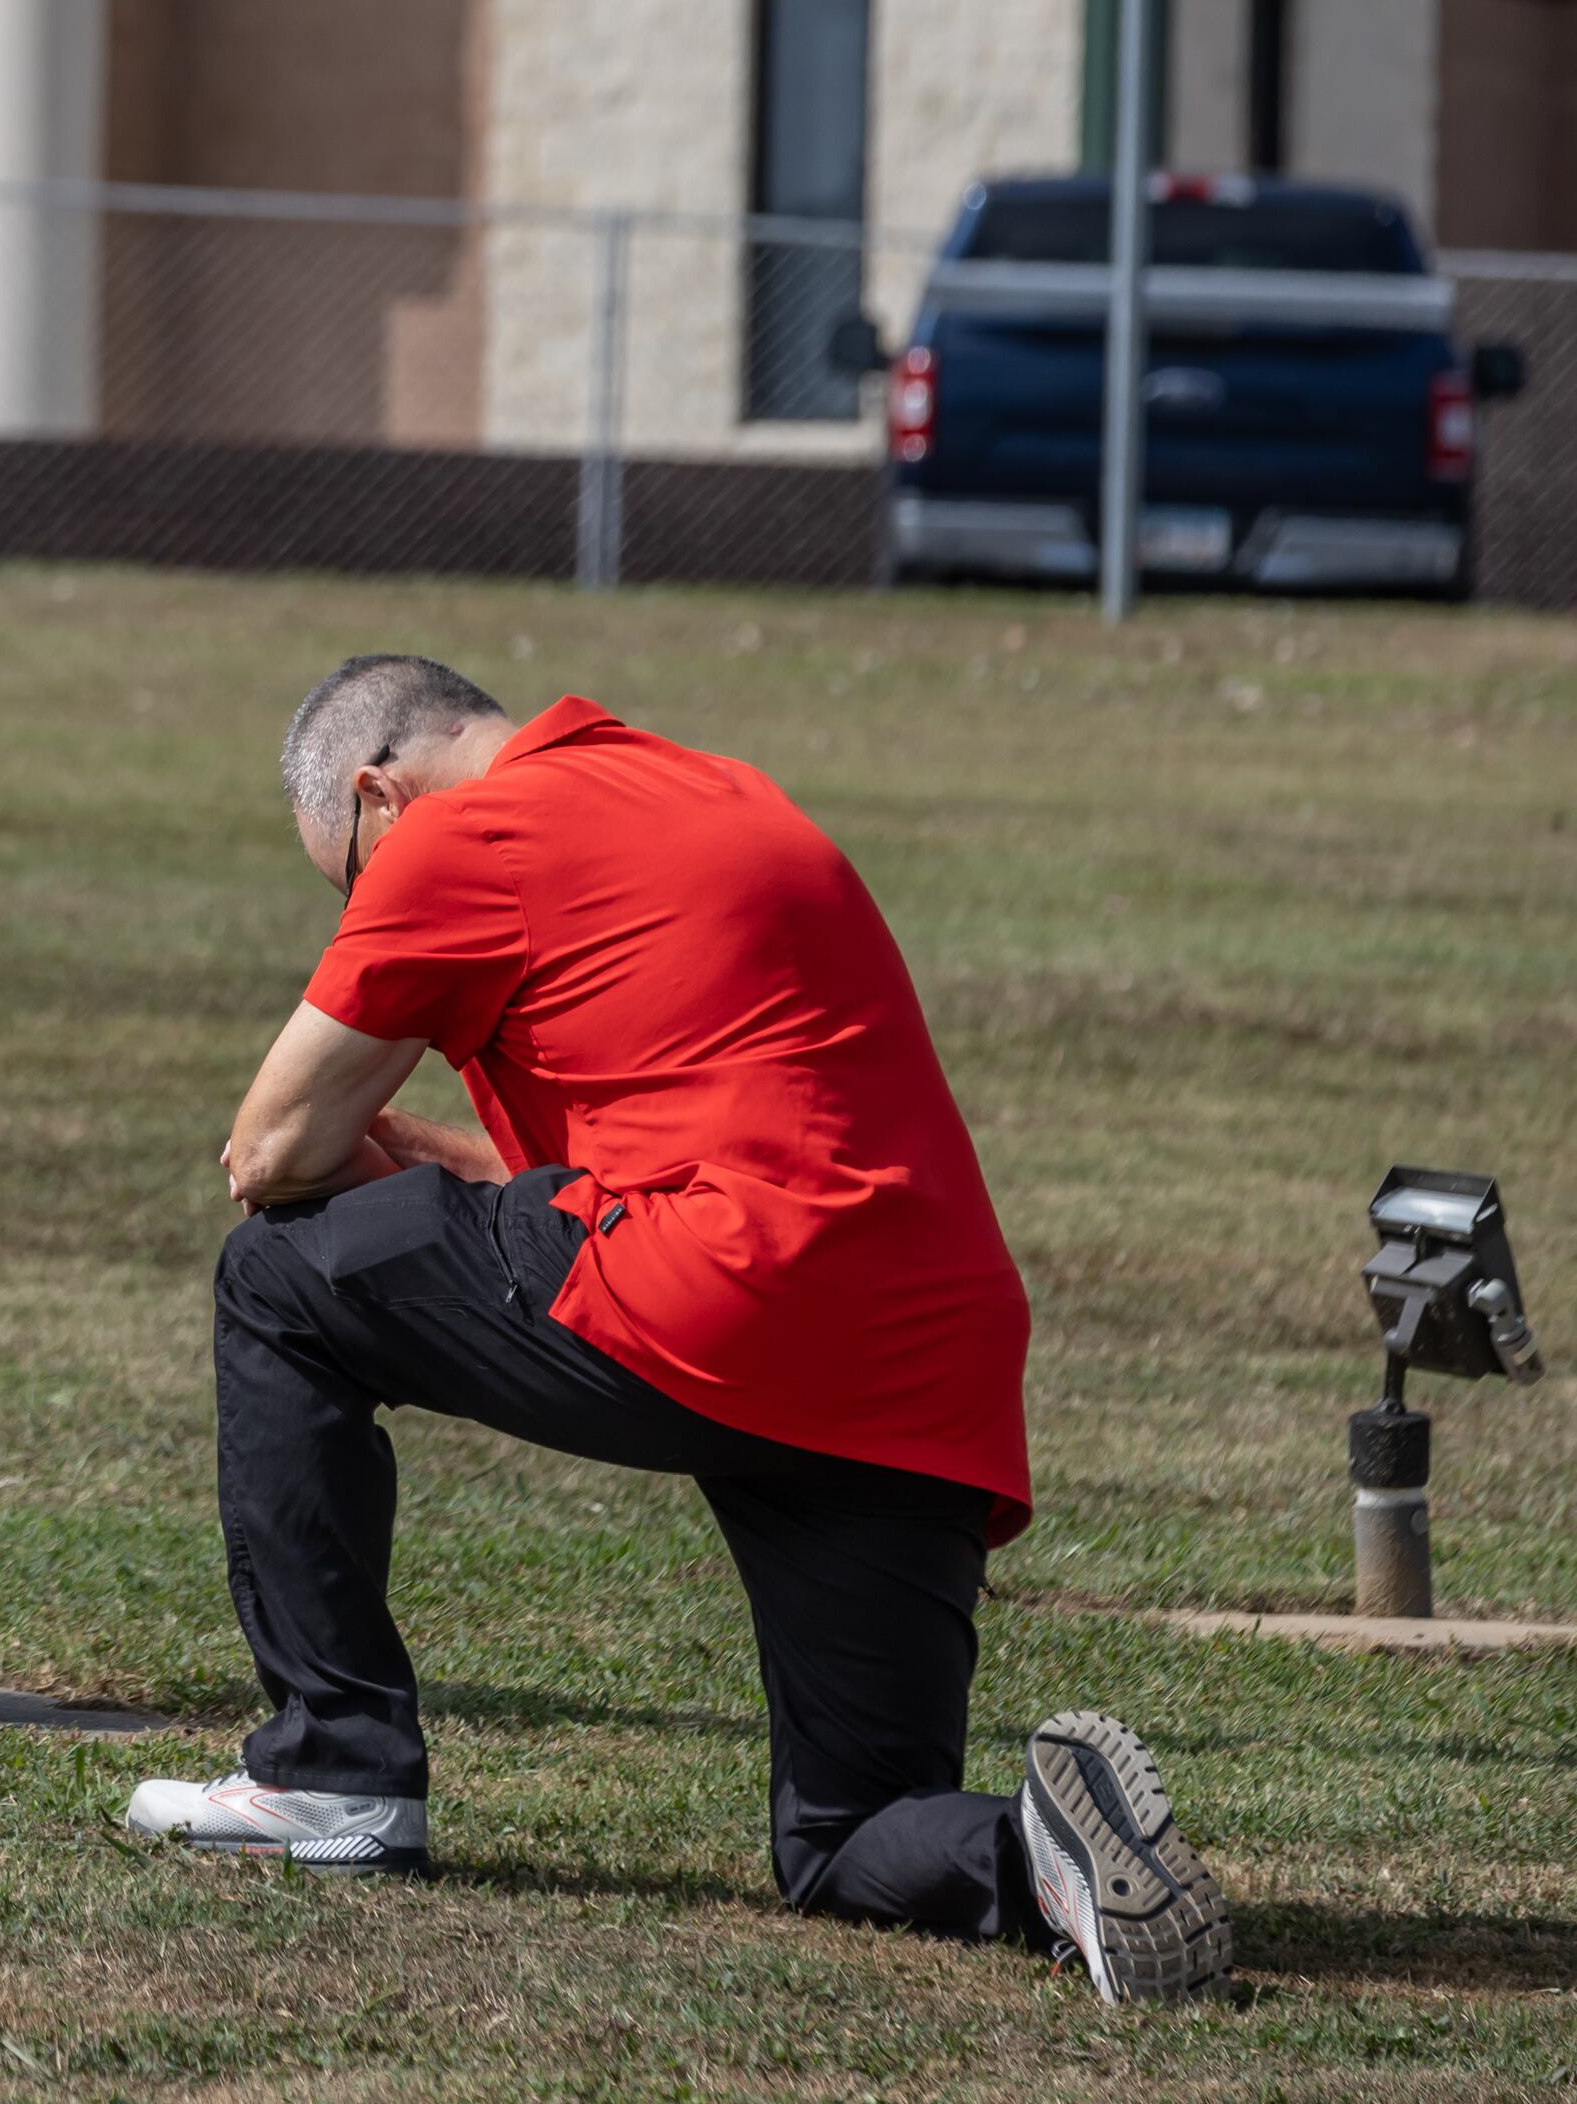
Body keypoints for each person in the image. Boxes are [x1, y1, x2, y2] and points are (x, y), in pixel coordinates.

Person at [123, 655, 1232, 2005]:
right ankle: (1042, 1851)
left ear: (379, 793)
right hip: (926, 1357)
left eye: (352, 882)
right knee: (843, 1838)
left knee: (276, 1281)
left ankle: (329, 1779)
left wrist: (346, 1149)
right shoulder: (710, 789)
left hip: (728, 1283)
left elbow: (271, 1149)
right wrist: (412, 1152)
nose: (368, 917)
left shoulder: (466, 831)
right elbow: (606, 1166)